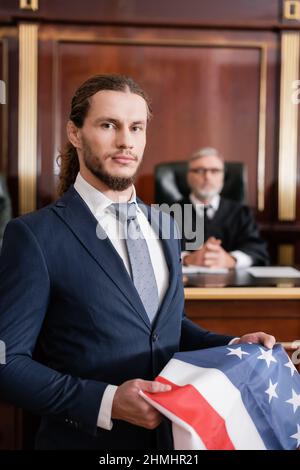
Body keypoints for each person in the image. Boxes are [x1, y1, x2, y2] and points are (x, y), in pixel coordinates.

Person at [0, 74, 275, 450]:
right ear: (75, 134)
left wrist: (233, 344)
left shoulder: (165, 223)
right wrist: (107, 402)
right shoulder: (33, 235)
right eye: (108, 124)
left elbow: (165, 328)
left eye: (136, 127)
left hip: (173, 442)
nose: (126, 140)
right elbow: (7, 362)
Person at [179, 147, 270, 269]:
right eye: (200, 170)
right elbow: (156, 252)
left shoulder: (241, 213)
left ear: (223, 176)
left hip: (233, 286)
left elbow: (258, 251)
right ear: (188, 176)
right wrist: (186, 259)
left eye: (215, 171)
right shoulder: (166, 213)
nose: (208, 177)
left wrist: (231, 260)